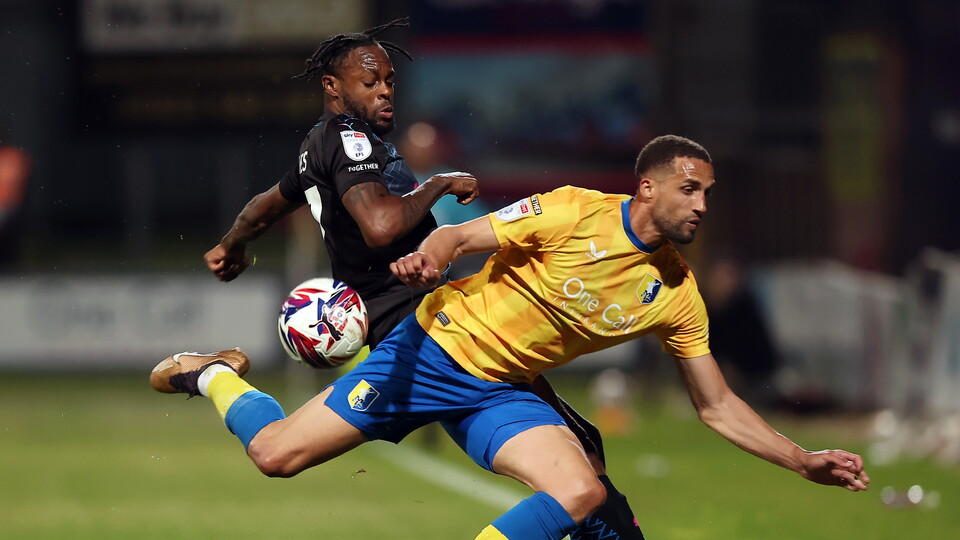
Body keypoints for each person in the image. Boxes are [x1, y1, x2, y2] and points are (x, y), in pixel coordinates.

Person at [153, 134, 870, 539]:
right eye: (691, 189)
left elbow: (717, 406)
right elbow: (463, 235)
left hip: (500, 393)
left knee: (582, 493)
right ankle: (212, 371)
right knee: (276, 457)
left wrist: (800, 459)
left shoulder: (677, 293)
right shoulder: (574, 212)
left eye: (709, 192)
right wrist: (429, 255)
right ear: (648, 187)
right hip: (429, 353)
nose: (703, 205)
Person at [196, 18, 641, 539]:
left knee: (585, 463)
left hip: (461, 331)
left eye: (389, 81)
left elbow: (265, 206)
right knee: (276, 453)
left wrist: (233, 244)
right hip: (413, 341)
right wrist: (439, 185)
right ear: (332, 87)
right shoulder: (345, 140)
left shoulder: (327, 147)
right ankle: (212, 372)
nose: (386, 91)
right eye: (371, 82)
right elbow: (382, 228)